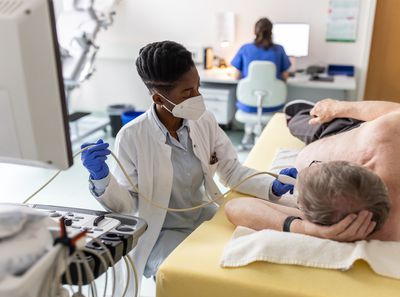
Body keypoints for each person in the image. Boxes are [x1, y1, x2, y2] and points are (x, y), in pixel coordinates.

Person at [80, 41, 298, 284]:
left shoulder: (203, 120)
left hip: (203, 216)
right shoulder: (132, 137)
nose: (198, 97)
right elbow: (127, 206)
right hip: (162, 231)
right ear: (158, 98)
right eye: (187, 92)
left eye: (198, 87)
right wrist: (102, 179)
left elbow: (230, 169)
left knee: (248, 262)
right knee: (188, 278)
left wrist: (271, 184)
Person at [225, 99, 400, 242]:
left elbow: (235, 207)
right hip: (346, 130)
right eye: (317, 165)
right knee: (305, 112)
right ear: (351, 164)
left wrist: (304, 228)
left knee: (294, 117)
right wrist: (338, 107)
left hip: (329, 135)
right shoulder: (384, 131)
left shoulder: (347, 217)